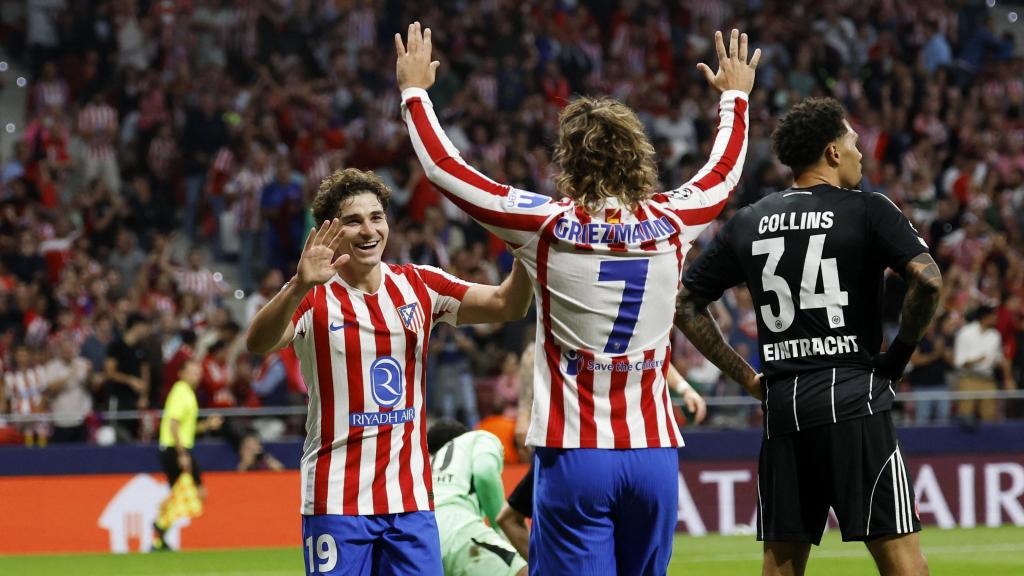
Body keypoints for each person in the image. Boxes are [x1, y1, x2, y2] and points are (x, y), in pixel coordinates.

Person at [397, 23, 756, 573]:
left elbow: (447, 172)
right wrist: (735, 98)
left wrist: (415, 94)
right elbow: (724, 173)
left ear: (567, 159)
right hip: (653, 453)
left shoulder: (544, 225)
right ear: (639, 155)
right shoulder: (673, 220)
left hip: (576, 455)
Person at [675, 97, 939, 576]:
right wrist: (897, 358)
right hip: (852, 398)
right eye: (854, 142)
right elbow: (929, 279)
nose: (861, 153)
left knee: (781, 565)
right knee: (901, 560)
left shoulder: (749, 220)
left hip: (783, 407)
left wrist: (748, 377)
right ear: (834, 153)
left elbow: (685, 304)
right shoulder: (868, 209)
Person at [245, 167, 534, 576]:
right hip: (336, 501)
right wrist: (297, 285)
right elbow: (258, 342)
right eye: (353, 220)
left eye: (376, 217)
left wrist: (526, 250)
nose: (369, 230)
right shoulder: (313, 297)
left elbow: (508, 305)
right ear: (330, 231)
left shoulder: (420, 285)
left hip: (410, 500)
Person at [495, 362, 707, 562]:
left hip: (587, 445)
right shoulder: (552, 340)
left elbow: (655, 352)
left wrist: (684, 388)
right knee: (510, 517)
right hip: (572, 443)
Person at [427, 419, 527, 576]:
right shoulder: (477, 438)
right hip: (456, 529)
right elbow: (485, 473)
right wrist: (501, 528)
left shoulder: (426, 464)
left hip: (419, 535)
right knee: (527, 571)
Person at [152, 359, 223, 551]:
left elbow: (186, 428)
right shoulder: (181, 392)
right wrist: (182, 454)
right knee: (197, 493)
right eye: (192, 371)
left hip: (175, 448)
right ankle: (160, 524)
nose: (197, 375)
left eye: (198, 372)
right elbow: (173, 424)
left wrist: (207, 425)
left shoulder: (187, 393)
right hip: (176, 449)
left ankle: (159, 535)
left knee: (178, 493)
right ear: (181, 373)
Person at [953, 305, 1011, 423]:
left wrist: (1008, 378)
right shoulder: (965, 333)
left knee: (990, 417)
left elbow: (999, 358)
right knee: (965, 418)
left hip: (988, 380)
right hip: (968, 379)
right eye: (993, 315)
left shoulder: (995, 336)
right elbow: (958, 362)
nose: (996, 318)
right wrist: (975, 361)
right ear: (985, 317)